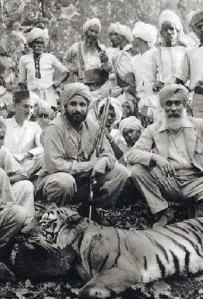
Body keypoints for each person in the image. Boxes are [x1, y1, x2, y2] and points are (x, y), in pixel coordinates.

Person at [125, 84, 203, 228]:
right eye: (169, 104)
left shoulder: (198, 124)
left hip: (197, 179)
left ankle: (195, 217)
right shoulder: (153, 129)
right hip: (168, 180)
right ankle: (163, 212)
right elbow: (132, 154)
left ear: (184, 105)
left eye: (178, 103)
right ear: (163, 106)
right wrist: (156, 159)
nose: (173, 109)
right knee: (138, 170)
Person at [36, 83, 129, 212]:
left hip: (85, 181)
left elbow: (109, 155)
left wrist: (102, 162)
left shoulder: (93, 125)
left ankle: (90, 209)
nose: (78, 109)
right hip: (56, 181)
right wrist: (90, 165)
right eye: (73, 104)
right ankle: (55, 214)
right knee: (65, 182)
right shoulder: (54, 128)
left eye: (82, 105)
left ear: (87, 107)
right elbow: (55, 165)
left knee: (120, 172)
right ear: (65, 106)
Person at [0, 116, 35, 277]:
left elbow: (22, 174)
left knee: (25, 189)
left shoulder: (2, 152)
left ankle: (22, 243)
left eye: (1, 137)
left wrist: (6, 178)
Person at [18, 27, 69, 108]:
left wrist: (56, 83)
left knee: (49, 116)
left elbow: (65, 72)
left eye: (41, 43)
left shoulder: (50, 57)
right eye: (37, 43)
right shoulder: (24, 59)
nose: (39, 46)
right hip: (32, 96)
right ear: (31, 44)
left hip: (49, 95)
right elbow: (22, 82)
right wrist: (25, 98)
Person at [65, 18, 112, 102]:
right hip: (81, 89)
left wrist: (106, 61)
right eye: (91, 31)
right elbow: (65, 62)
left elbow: (108, 69)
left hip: (98, 90)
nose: (93, 34)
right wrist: (74, 69)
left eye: (96, 32)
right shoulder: (76, 47)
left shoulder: (102, 48)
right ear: (86, 31)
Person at [3, 90, 43, 177]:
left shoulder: (35, 127)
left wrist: (24, 155)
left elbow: (42, 147)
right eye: (25, 106)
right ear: (15, 106)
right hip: (4, 168)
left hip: (25, 169)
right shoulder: (4, 124)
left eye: (32, 107)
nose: (29, 111)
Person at [130, 21, 159, 125]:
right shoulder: (134, 60)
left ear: (140, 38)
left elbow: (161, 76)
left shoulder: (156, 54)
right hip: (141, 101)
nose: (132, 40)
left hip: (156, 100)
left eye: (134, 37)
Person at [156, 10, 187, 87]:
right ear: (161, 33)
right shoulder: (157, 53)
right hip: (164, 93)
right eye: (165, 30)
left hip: (183, 91)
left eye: (171, 29)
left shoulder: (185, 51)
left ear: (177, 31)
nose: (169, 32)